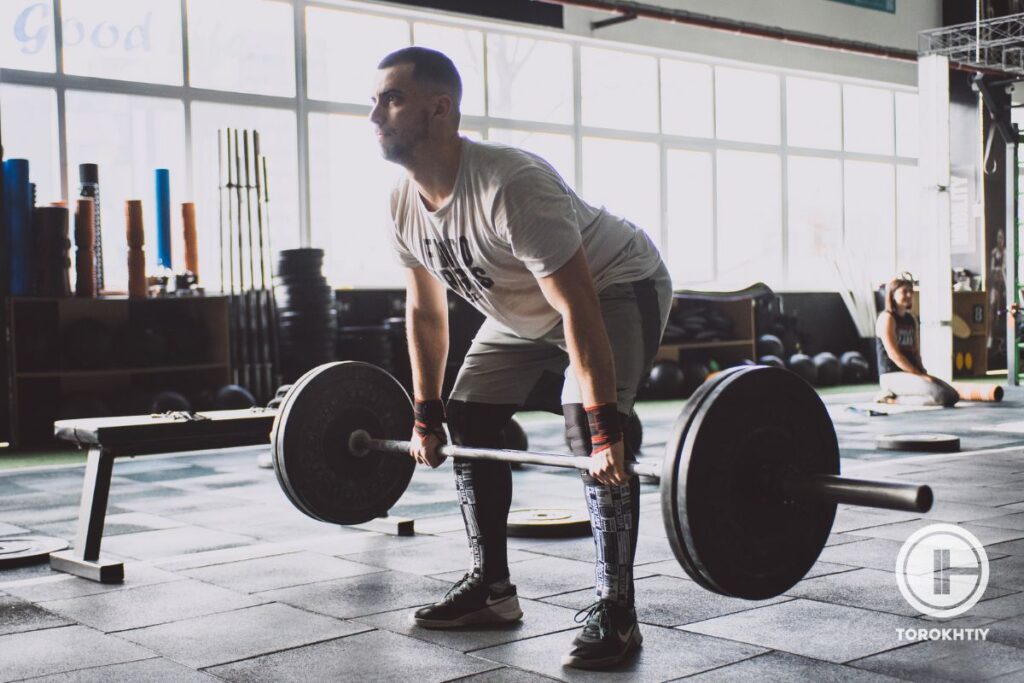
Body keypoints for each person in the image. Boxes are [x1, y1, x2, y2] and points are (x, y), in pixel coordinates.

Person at [369, 46, 671, 670]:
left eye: (392, 99)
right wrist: (426, 415)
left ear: (439, 110)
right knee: (469, 416)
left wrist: (607, 428)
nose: (376, 114)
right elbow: (427, 312)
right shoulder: (402, 204)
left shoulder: (510, 184)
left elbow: (580, 308)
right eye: (375, 100)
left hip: (613, 283)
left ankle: (616, 609)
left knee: (587, 427)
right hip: (519, 310)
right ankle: (492, 588)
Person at [875, 274, 958, 407]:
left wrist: (923, 372)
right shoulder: (887, 318)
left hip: (912, 373)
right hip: (892, 375)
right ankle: (890, 399)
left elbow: (915, 352)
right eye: (904, 292)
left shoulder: (911, 319)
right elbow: (894, 355)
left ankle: (899, 395)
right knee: (942, 396)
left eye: (911, 292)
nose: (909, 295)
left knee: (953, 395)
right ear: (892, 294)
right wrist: (918, 374)